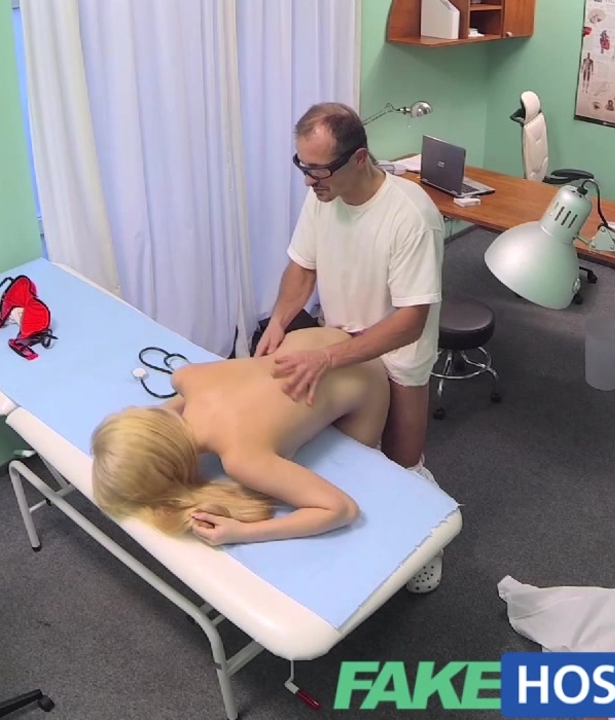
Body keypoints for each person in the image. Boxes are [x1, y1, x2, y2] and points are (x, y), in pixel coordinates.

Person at [256, 102, 446, 594]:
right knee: (349, 456)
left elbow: (410, 321)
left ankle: (427, 539)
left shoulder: (410, 216)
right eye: (302, 166)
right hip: (340, 338)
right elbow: (302, 268)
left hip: (397, 353)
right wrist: (278, 321)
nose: (308, 180)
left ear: (359, 158)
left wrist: (326, 357)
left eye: (318, 169)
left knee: (402, 464)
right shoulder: (323, 195)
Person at [91, 327, 389, 546]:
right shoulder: (186, 377)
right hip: (318, 339)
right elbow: (169, 414)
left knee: (361, 459)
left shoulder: (241, 458)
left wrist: (243, 533)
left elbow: (341, 509)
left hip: (366, 373)